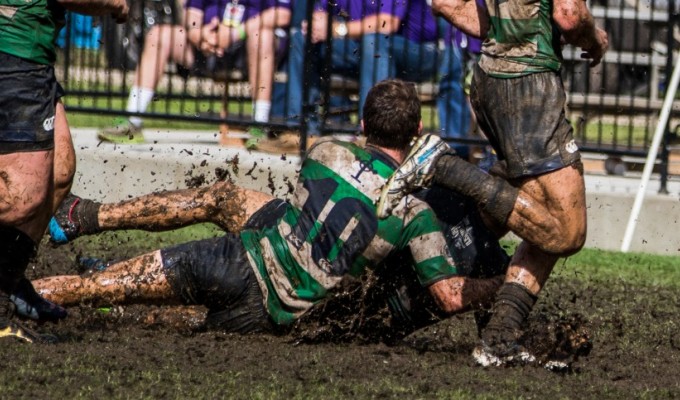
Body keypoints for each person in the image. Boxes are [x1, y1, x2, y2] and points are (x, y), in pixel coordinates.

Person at [33, 79, 505, 337]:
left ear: (363, 122)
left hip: (237, 261)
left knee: (88, 286)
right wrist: (508, 284)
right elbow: (442, 289)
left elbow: (304, 207)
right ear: (418, 131)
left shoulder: (325, 152)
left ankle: (25, 293)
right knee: (176, 318)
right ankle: (110, 270)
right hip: (271, 315)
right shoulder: (415, 215)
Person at [378, 0, 609, 367]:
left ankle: (500, 336)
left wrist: (505, 34)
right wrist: (594, 39)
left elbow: (445, 3)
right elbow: (569, 15)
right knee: (567, 230)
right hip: (527, 85)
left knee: (524, 210)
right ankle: (443, 165)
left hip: (489, 80)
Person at [0, 0, 128, 343]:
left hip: (29, 50)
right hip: (11, 47)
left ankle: (6, 283)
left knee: (59, 171)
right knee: (19, 198)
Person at [98, 0, 292, 144]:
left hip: (248, 48)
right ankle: (132, 120)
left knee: (262, 37)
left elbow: (282, 14)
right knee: (159, 35)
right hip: (205, 48)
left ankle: (259, 125)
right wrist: (201, 36)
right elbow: (191, 18)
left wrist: (235, 33)